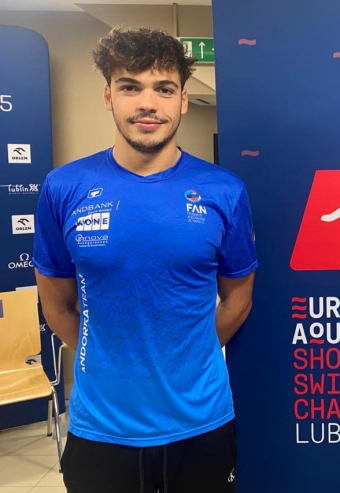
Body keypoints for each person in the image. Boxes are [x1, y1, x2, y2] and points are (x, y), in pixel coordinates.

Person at [33, 27, 257, 493]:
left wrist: (188, 353)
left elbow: (237, 300)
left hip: (202, 424)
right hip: (101, 429)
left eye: (164, 89)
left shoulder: (224, 190)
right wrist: (109, 358)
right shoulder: (63, 187)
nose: (148, 103)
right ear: (109, 97)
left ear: (183, 101)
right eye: (130, 87)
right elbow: (57, 303)